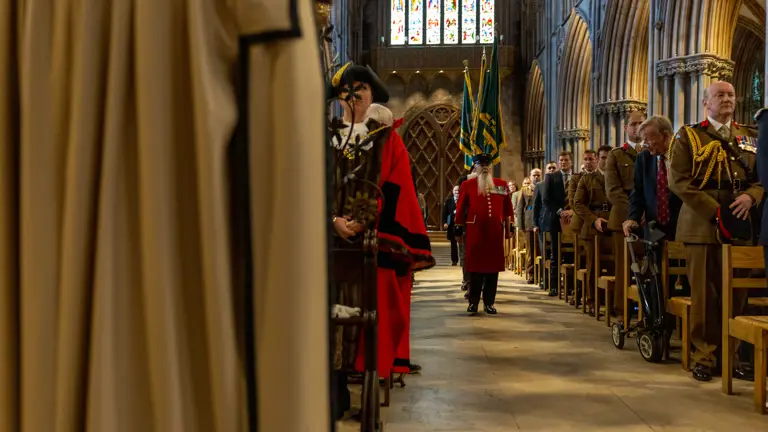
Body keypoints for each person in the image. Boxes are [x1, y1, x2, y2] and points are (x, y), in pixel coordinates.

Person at [327, 64, 435, 417]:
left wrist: (361, 221)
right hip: (326, 245)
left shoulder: (387, 140)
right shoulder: (325, 137)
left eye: (361, 89)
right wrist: (332, 220)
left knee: (372, 315)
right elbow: (309, 182)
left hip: (371, 245)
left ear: (371, 96)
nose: (354, 96)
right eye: (348, 90)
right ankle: (333, 390)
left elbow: (396, 188)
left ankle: (368, 384)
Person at [668, 81, 762, 382]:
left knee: (736, 293)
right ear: (705, 102)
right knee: (704, 293)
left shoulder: (750, 136)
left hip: (740, 220)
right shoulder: (689, 136)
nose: (726, 99)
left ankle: (731, 356)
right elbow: (679, 181)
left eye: (731, 95)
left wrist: (752, 196)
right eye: (719, 95)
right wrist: (715, 211)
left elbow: (762, 177)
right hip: (701, 223)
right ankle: (704, 355)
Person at [455, 153, 514, 315]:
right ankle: (473, 303)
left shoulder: (501, 185)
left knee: (492, 270)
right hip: (475, 233)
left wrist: (510, 229)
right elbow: (460, 209)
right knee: (474, 270)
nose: (485, 167)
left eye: (487, 164)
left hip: (495, 234)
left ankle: (489, 303)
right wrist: (458, 229)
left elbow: (507, 208)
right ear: (475, 167)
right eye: (481, 165)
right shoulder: (467, 185)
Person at [605, 110, 646, 316]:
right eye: (634, 124)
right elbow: (613, 190)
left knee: (648, 267)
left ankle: (647, 308)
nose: (638, 127)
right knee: (624, 267)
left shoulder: (651, 152)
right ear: (625, 128)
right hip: (623, 218)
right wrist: (634, 213)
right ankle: (622, 309)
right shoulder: (616, 155)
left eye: (642, 123)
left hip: (649, 219)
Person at [573, 147, 613, 316]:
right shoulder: (586, 179)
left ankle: (612, 303)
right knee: (593, 266)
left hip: (613, 223)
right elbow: (577, 203)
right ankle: (592, 301)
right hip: (592, 227)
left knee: (613, 265)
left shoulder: (615, 178)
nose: (605, 160)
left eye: (607, 158)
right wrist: (593, 220)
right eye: (602, 157)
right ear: (598, 159)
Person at [542, 152, 574, 296]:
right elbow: (546, 199)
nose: (563, 162)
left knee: (572, 254)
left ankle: (571, 286)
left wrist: (572, 211)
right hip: (556, 219)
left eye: (566, 160)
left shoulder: (577, 177)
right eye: (561, 160)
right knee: (555, 253)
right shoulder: (551, 177)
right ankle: (554, 286)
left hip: (573, 219)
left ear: (571, 162)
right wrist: (560, 211)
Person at [444, 186, 460, 265]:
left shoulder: (462, 200)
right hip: (451, 226)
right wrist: (445, 222)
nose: (457, 192)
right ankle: (454, 260)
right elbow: (445, 213)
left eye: (458, 190)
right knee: (453, 244)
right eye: (455, 190)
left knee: (462, 244)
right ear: (453, 191)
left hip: (460, 225)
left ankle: (463, 260)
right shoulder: (448, 201)